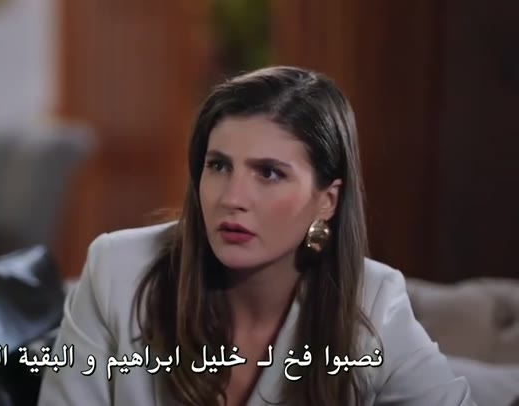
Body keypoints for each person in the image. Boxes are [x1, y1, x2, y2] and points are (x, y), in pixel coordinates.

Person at [37, 66, 475, 406]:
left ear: (327, 200)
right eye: (218, 166)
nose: (232, 198)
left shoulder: (372, 303)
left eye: (269, 173)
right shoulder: (117, 272)